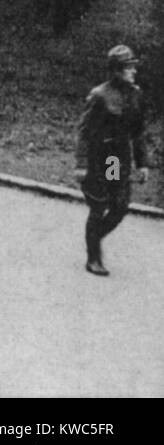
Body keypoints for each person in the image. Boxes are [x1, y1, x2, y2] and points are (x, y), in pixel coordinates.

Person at [75, 46, 150, 276]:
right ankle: (93, 257)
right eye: (129, 67)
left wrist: (142, 163)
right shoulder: (100, 95)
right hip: (100, 157)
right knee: (99, 205)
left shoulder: (136, 94)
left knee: (119, 206)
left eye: (133, 66)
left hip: (116, 162)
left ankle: (94, 237)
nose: (133, 71)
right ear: (116, 71)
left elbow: (138, 132)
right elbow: (84, 131)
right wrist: (81, 163)